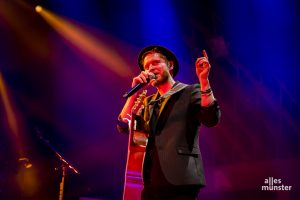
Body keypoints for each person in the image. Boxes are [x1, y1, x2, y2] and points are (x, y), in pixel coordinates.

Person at [117, 45, 221, 200]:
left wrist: (204, 80)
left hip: (181, 181)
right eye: (147, 66)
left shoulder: (189, 91)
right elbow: (124, 126)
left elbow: (211, 118)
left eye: (156, 63)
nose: (150, 68)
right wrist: (134, 93)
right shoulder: (148, 102)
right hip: (151, 183)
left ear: (170, 65)